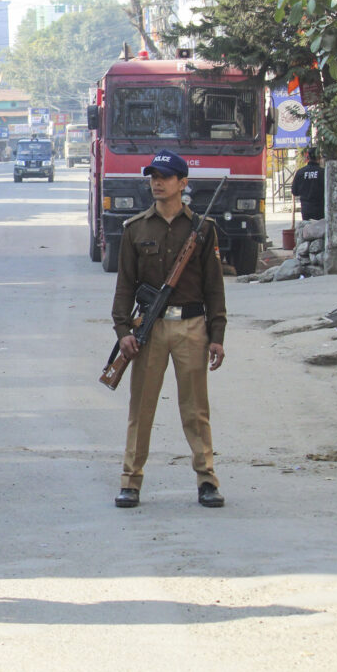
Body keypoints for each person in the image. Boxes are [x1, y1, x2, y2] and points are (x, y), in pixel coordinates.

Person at [111, 149, 227, 509]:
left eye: (164, 176)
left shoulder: (203, 230)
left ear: (183, 183)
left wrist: (217, 336)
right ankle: (131, 482)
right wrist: (122, 332)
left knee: (195, 410)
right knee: (141, 409)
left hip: (192, 326)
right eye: (152, 176)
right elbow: (125, 287)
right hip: (150, 328)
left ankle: (207, 480)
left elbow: (214, 288)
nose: (156, 182)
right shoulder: (135, 229)